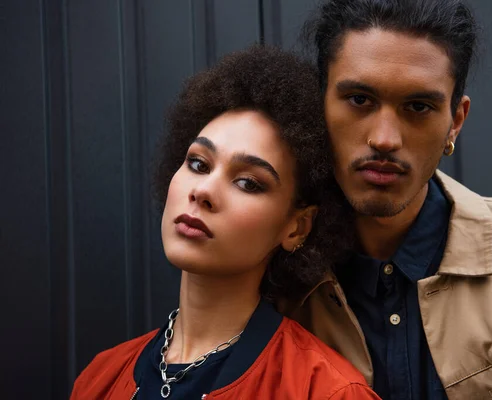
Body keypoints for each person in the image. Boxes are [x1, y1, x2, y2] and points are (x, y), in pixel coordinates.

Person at [279, 1, 492, 399]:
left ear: (455, 121)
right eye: (360, 99)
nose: (384, 138)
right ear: (320, 103)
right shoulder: (270, 280)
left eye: (418, 107)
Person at [70, 45, 380, 400]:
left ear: (296, 227)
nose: (203, 191)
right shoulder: (99, 379)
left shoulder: (327, 390)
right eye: (199, 164)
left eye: (248, 182)